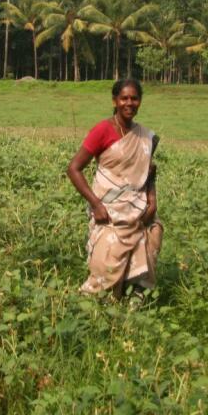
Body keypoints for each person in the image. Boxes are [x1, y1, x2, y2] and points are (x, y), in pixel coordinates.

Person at [67, 78, 162, 296]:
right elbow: (74, 169)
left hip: (138, 211)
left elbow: (148, 172)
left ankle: (134, 301)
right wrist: (96, 205)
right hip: (109, 212)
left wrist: (152, 202)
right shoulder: (103, 130)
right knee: (105, 274)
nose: (129, 103)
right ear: (115, 100)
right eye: (124, 98)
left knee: (153, 232)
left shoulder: (145, 137)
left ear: (140, 102)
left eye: (134, 98)